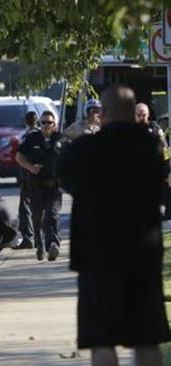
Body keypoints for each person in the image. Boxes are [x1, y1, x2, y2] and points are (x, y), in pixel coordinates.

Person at [57, 85, 171, 366]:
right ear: (134, 113)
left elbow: (67, 181)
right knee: (147, 339)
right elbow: (160, 186)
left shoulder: (83, 149)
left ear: (103, 113)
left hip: (97, 256)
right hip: (143, 253)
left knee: (102, 341)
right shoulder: (151, 147)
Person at [15, 111, 63, 261]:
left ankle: (53, 245)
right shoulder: (32, 138)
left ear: (54, 124)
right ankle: (40, 244)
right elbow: (19, 156)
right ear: (39, 124)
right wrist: (29, 167)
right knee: (37, 217)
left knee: (52, 214)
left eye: (49, 122)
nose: (46, 125)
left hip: (54, 186)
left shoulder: (60, 139)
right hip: (36, 185)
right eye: (43, 122)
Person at [14, 111, 40, 250]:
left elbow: (21, 155)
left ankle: (28, 238)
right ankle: (38, 237)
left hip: (28, 174)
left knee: (25, 208)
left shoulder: (27, 135)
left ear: (26, 121)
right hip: (39, 174)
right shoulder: (41, 134)